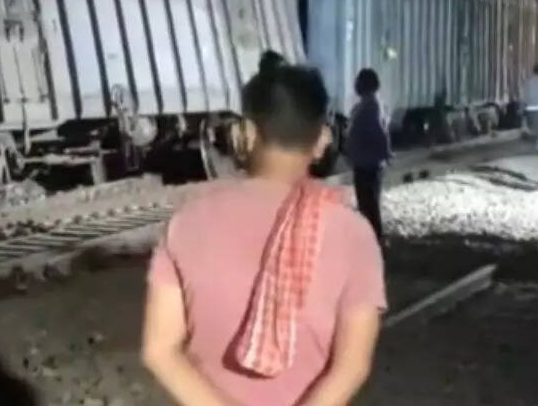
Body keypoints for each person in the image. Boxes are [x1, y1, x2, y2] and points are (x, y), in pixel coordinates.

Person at [142, 65, 385, 406]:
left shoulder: (185, 223)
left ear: (246, 134)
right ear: (321, 140)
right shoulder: (355, 235)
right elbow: (352, 366)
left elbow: (159, 350)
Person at [346, 68, 392, 243]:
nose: (355, 85)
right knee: (368, 206)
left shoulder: (371, 106)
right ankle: (372, 240)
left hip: (368, 165)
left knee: (368, 206)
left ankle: (373, 241)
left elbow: (379, 132)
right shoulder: (369, 104)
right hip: (366, 163)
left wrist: (385, 153)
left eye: (358, 82)